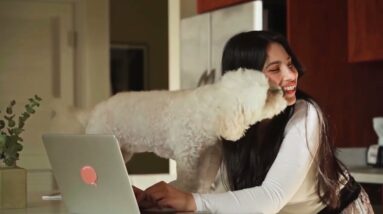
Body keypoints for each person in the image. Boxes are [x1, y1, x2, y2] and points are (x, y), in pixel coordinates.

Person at [133, 31, 373, 213]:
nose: (291, 75)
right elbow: (206, 188)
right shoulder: (229, 122)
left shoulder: (305, 114)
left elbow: (271, 196)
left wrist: (189, 201)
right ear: (244, 78)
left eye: (289, 64)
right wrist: (151, 199)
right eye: (275, 69)